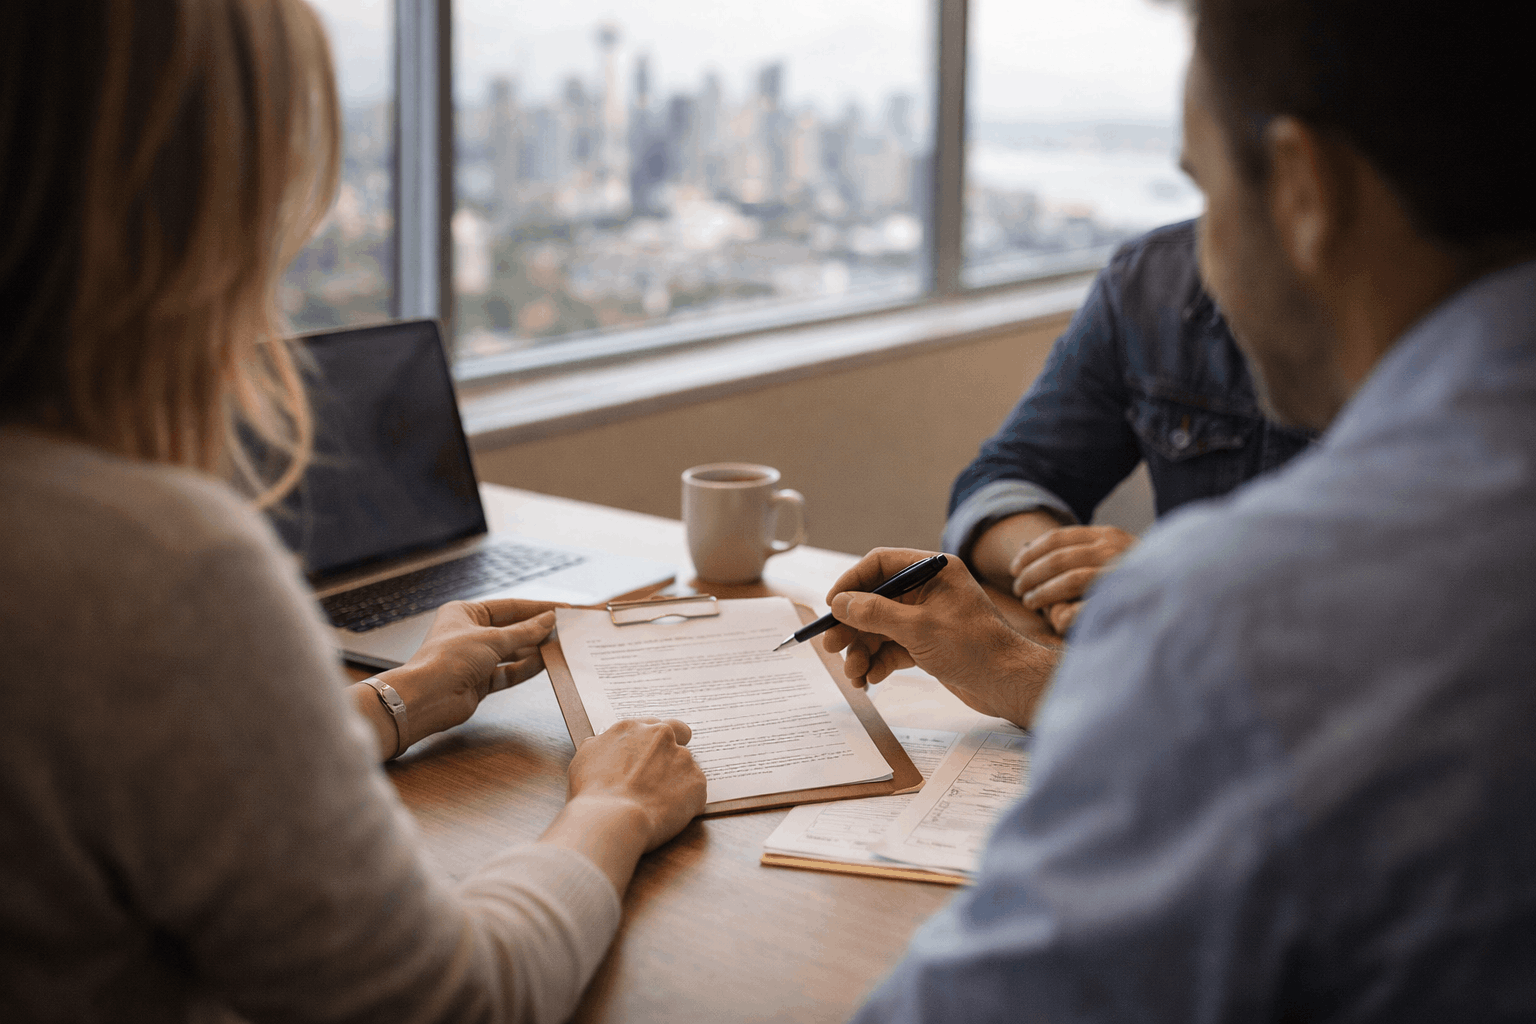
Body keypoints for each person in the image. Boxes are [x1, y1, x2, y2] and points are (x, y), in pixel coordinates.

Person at [825, 0, 1536, 1017]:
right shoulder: (1145, 296)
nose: (1203, 244)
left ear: (1303, 189)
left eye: (1206, 188)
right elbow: (1007, 472)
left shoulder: (1232, 619)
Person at [0, 4, 705, 1022]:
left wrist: (403, 697)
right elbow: (452, 1001)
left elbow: (138, 775)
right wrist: (616, 805)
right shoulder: (150, 569)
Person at [946, 221, 1316, 636]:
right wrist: (1061, 570)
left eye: (1208, 175)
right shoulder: (1148, 279)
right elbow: (1001, 479)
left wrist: (1172, 577)